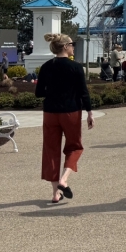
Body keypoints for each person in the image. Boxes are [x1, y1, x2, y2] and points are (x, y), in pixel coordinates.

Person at [35, 33, 94, 204]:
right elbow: (83, 92)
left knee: (51, 150)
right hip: (71, 111)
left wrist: (53, 91)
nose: (73, 46)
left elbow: (39, 92)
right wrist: (89, 112)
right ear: (65, 46)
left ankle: (56, 193)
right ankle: (64, 179)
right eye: (72, 44)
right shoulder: (75, 67)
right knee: (75, 147)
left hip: (50, 112)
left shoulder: (46, 67)